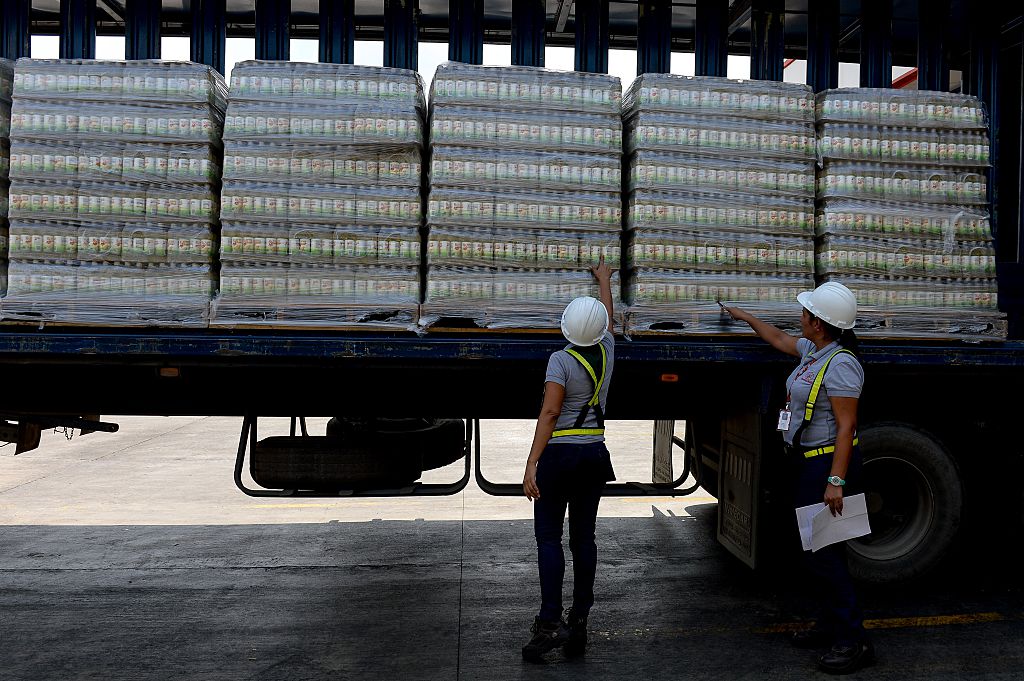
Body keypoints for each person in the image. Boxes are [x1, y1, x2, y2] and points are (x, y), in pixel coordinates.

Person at [720, 281, 874, 675]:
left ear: (819, 324)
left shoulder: (841, 364)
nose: (800, 318)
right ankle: (829, 624)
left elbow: (846, 427)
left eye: (806, 314)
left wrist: (835, 482)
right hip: (807, 463)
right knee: (813, 550)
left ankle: (853, 640)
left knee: (826, 555)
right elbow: (777, 339)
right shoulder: (814, 352)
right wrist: (746, 317)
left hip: (826, 467)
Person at [521, 256, 616, 663]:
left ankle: (548, 622)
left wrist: (531, 463)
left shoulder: (560, 361)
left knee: (548, 539)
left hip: (560, 456)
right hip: (595, 453)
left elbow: (550, 413)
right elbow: (606, 320)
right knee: (583, 539)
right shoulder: (607, 350)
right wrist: (604, 282)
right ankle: (579, 620)